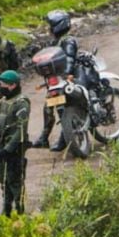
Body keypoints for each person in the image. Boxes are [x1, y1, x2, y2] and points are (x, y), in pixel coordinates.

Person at [32, 9, 78, 151]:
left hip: (66, 81)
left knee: (61, 109)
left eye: (51, 25)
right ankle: (44, 137)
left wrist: (65, 76)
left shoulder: (68, 41)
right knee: (48, 108)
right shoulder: (56, 41)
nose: (49, 29)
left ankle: (64, 139)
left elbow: (69, 60)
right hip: (56, 82)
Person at [0, 70, 30, 216]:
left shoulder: (21, 103)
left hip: (14, 150)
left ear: (13, 85)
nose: (0, 86)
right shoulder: (2, 102)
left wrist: (8, 149)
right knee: (4, 181)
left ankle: (20, 211)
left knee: (15, 182)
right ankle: (7, 210)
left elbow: (22, 129)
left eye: (3, 84)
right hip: (2, 149)